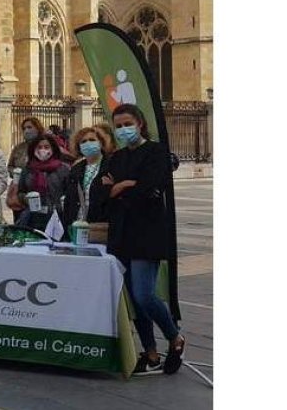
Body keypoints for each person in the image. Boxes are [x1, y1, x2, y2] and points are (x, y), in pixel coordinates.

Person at [104, 104, 185, 376]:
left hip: (147, 232)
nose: (123, 129)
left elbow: (151, 188)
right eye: (118, 125)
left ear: (139, 123)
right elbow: (105, 192)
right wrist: (126, 187)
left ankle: (174, 337)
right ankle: (150, 352)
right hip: (122, 233)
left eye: (127, 123)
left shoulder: (156, 152)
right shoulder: (117, 158)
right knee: (134, 299)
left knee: (144, 293)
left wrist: (123, 187)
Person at [7, 135, 71, 230]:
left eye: (46, 147)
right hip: (32, 218)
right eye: (39, 147)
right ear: (34, 150)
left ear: (53, 149)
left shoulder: (63, 169)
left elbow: (69, 192)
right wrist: (25, 198)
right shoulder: (27, 170)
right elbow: (20, 191)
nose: (43, 150)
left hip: (57, 218)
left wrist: (63, 202)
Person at [60, 127, 114, 233]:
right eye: (83, 141)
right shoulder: (76, 169)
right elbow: (69, 200)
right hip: (77, 224)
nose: (88, 143)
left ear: (101, 143)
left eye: (92, 140)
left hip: (100, 225)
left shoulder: (111, 166)